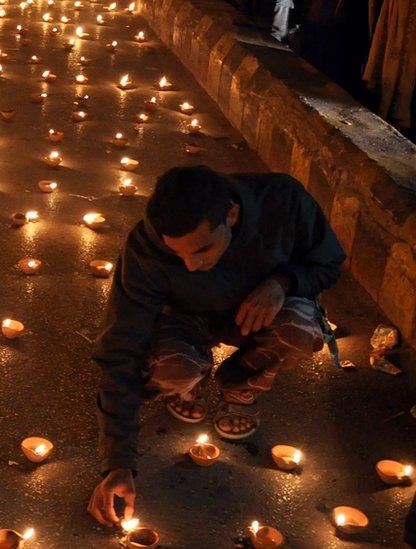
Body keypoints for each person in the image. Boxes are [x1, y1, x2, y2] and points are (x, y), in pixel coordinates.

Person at [87, 166, 346, 526]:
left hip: (260, 313)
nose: (192, 266)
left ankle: (241, 387)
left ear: (232, 213)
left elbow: (330, 261)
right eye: (179, 257)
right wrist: (117, 464)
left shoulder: (282, 200)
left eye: (203, 250)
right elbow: (121, 347)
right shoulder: (146, 247)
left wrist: (285, 282)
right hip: (187, 319)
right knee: (172, 367)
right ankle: (189, 381)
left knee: (302, 329)